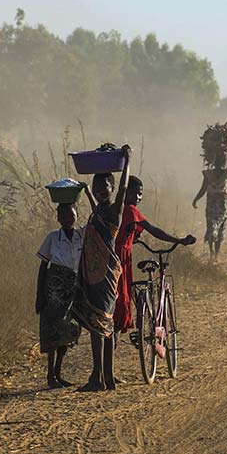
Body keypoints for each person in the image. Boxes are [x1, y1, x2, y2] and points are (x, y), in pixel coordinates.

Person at [114, 176, 195, 381]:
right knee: (119, 308)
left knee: (117, 307)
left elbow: (135, 232)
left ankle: (109, 368)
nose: (139, 196)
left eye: (141, 193)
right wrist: (179, 240)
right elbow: (153, 230)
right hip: (121, 260)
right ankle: (108, 370)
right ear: (126, 192)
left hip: (119, 259)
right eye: (135, 191)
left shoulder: (118, 210)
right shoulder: (130, 211)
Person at [70, 144, 131, 391]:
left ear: (112, 189)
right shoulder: (100, 211)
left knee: (99, 325)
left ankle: (100, 378)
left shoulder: (115, 210)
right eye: (96, 187)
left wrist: (127, 163)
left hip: (104, 274)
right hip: (95, 273)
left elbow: (124, 188)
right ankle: (106, 376)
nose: (98, 190)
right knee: (102, 325)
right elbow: (96, 212)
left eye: (103, 187)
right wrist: (85, 192)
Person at [35, 202, 83, 389]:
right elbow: (42, 267)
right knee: (52, 331)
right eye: (63, 216)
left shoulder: (81, 236)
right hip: (54, 288)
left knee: (69, 331)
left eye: (70, 215)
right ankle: (50, 375)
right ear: (58, 219)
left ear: (76, 215)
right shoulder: (53, 238)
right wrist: (39, 295)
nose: (67, 219)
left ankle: (58, 373)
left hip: (74, 288)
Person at [193, 147, 227, 263]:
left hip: (212, 203)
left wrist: (196, 199)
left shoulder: (209, 174)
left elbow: (203, 189)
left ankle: (213, 254)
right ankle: (215, 255)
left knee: (212, 226)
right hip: (222, 203)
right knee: (220, 227)